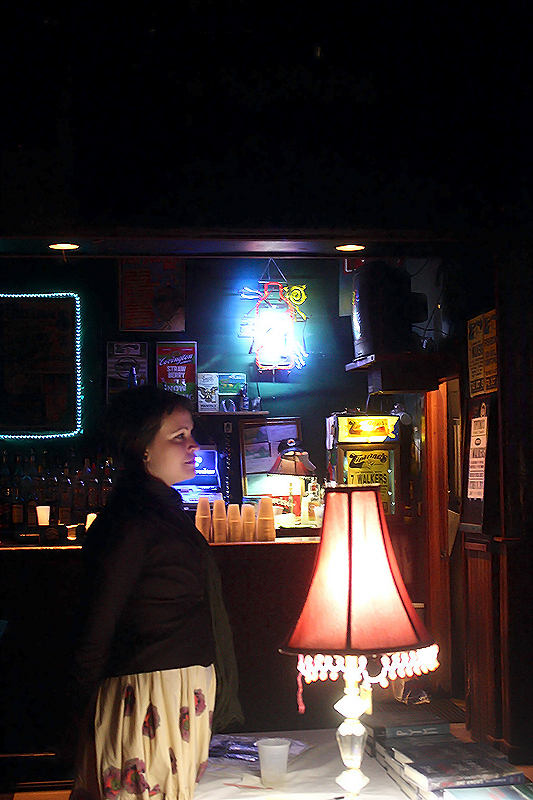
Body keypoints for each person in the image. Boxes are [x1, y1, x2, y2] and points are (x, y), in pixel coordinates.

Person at [67, 386, 242, 800]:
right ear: (142, 448)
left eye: (191, 433)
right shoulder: (130, 521)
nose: (193, 445)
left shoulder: (158, 511)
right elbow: (95, 628)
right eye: (179, 436)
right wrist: (78, 717)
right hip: (147, 700)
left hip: (174, 696)